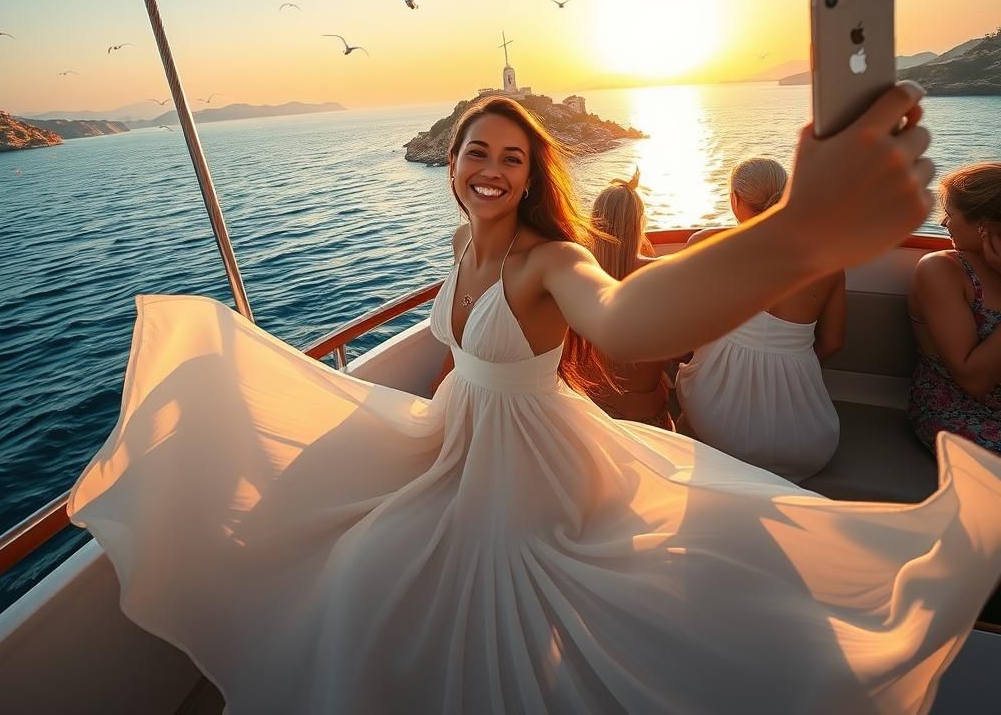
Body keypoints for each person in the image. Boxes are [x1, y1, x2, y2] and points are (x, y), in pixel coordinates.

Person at [68, 87, 1001, 715]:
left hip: (530, 466)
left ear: (532, 174)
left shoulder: (552, 260)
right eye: (476, 150)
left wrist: (798, 232)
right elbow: (461, 367)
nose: (492, 168)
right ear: (452, 161)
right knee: (352, 563)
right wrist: (429, 427)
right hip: (460, 443)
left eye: (512, 158)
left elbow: (626, 320)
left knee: (468, 602)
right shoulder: (461, 247)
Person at [676, 157, 845, 481]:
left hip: (720, 427)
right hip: (806, 443)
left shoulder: (704, 245)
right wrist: (789, 364)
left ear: (735, 199)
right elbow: (834, 342)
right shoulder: (830, 262)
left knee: (690, 403)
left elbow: (684, 326)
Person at [908, 162, 1001, 454]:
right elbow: (973, 380)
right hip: (961, 411)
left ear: (985, 225)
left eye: (950, 214)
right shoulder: (941, 269)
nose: (943, 224)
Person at [585, 168, 675, 428]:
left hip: (592, 415)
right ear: (639, 223)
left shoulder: (574, 274)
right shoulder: (662, 273)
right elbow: (682, 349)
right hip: (647, 417)